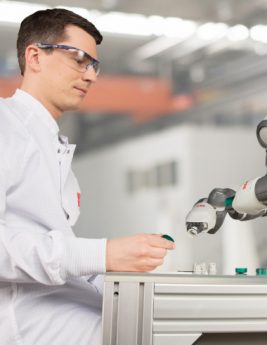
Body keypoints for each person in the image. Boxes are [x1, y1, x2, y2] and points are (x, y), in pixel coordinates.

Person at [0, 8, 175, 345]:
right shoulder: (5, 125)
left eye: (93, 65)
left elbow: (50, 246)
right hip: (28, 327)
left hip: (69, 311)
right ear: (35, 56)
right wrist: (102, 254)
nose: (91, 76)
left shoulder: (51, 143)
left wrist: (110, 271)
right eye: (79, 59)